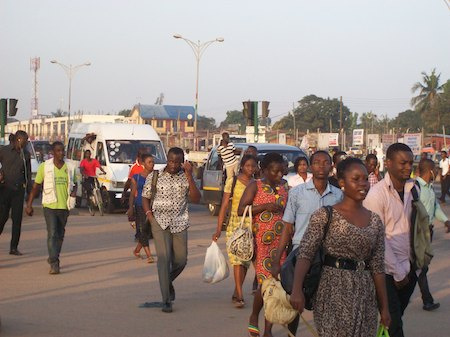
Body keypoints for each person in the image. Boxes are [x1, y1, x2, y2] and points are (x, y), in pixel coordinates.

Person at [290, 157, 390, 337]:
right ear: (342, 182)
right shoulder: (325, 215)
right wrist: (297, 290)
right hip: (332, 291)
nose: (363, 184)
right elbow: (305, 254)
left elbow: (378, 268)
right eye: (356, 179)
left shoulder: (375, 221)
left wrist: (384, 308)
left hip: (365, 294)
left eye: (365, 179)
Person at [272, 150, 342, 336]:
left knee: (327, 301)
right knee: (296, 299)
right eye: (317, 162)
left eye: (325, 162)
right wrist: (278, 259)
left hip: (328, 256)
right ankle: (291, 334)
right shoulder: (297, 193)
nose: (321, 165)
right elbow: (287, 227)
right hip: (300, 254)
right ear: (311, 166)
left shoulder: (338, 196)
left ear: (331, 166)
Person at [363, 143, 418, 337]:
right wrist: (398, 272)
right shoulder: (376, 195)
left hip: (410, 267)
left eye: (411, 163)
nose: (408, 167)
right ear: (388, 163)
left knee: (393, 319)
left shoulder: (414, 189)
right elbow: (377, 239)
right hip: (385, 272)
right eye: (403, 163)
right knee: (394, 325)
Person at [142, 147, 201, 313]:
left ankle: (166, 282)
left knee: (181, 260)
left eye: (177, 161)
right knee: (164, 259)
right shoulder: (155, 175)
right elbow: (145, 197)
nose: (174, 165)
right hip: (159, 222)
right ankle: (166, 299)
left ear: (182, 162)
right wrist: (149, 215)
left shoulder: (186, 177)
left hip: (180, 222)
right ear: (167, 159)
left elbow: (197, 199)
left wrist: (189, 175)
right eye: (171, 161)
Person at [238, 152, 288, 337]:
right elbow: (240, 209)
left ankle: (268, 329)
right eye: (275, 172)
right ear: (265, 170)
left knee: (275, 286)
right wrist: (264, 207)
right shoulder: (255, 186)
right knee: (266, 284)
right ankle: (254, 316)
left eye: (281, 171)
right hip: (261, 243)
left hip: (281, 243)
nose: (279, 175)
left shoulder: (285, 187)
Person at [212, 155, 258, 308]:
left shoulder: (257, 183)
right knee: (237, 260)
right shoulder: (232, 182)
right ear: (242, 166)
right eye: (248, 166)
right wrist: (219, 228)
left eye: (253, 166)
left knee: (245, 260)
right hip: (234, 225)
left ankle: (236, 291)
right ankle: (239, 294)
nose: (250, 169)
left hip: (251, 225)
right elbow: (224, 205)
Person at [25, 142, 77, 274]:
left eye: (62, 151)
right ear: (52, 153)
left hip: (64, 206)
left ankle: (54, 255)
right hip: (49, 205)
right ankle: (54, 262)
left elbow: (75, 184)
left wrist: (73, 193)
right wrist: (29, 204)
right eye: (58, 151)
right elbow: (36, 186)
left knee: (60, 235)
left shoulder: (70, 167)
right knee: (52, 233)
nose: (61, 153)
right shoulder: (45, 167)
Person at [416, 159, 450, 311]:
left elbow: (435, 208)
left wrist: (446, 221)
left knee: (421, 266)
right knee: (421, 267)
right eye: (435, 170)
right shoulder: (415, 188)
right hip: (418, 233)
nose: (436, 172)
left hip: (428, 231)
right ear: (429, 171)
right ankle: (427, 300)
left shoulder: (429, 188)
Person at [0, 130, 31, 256]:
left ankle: (14, 247)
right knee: (2, 218)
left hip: (18, 191)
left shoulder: (26, 155)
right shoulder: (4, 150)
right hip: (4, 189)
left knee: (17, 220)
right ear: (18, 139)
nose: (26, 143)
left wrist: (29, 193)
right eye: (25, 140)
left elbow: (28, 174)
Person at [128, 154, 155, 263]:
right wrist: (130, 208)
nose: (152, 164)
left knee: (149, 230)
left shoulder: (156, 177)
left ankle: (137, 250)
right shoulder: (137, 177)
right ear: (143, 164)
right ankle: (149, 255)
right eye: (149, 162)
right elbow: (133, 193)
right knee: (143, 229)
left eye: (153, 162)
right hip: (140, 206)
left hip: (153, 206)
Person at [122, 148, 147, 240]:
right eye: (143, 157)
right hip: (137, 196)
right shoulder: (134, 167)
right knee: (139, 217)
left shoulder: (148, 165)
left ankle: (145, 233)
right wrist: (124, 192)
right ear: (138, 157)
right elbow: (129, 181)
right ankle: (138, 233)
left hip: (147, 196)